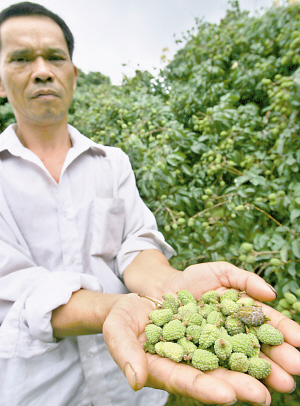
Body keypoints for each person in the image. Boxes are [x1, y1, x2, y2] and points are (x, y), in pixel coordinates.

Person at [0, 2, 299, 405]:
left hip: (134, 391)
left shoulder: (113, 162)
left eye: (55, 56)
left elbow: (135, 244)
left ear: (73, 72)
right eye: (20, 58)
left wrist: (167, 286)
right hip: (40, 392)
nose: (41, 69)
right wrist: (115, 308)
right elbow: (12, 289)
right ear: (0, 80)